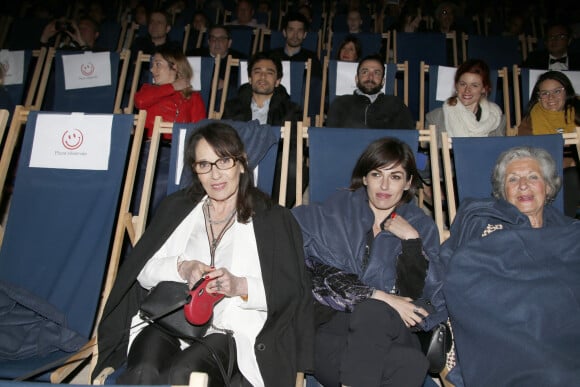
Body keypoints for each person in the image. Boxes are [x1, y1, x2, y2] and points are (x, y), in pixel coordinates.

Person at [92, 122, 314, 386]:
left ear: (241, 164)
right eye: (204, 165)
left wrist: (240, 286)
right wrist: (182, 268)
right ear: (195, 170)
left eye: (223, 161)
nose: (215, 175)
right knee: (143, 371)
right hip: (171, 320)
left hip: (231, 330)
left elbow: (292, 292)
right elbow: (142, 272)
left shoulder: (272, 219)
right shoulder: (179, 209)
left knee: (186, 373)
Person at [292, 137, 445, 386]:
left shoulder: (420, 227)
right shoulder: (332, 213)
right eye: (376, 174)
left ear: (408, 183)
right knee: (411, 363)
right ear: (364, 178)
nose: (384, 185)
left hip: (394, 330)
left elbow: (425, 295)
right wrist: (375, 295)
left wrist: (412, 243)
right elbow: (293, 253)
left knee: (375, 314)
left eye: (395, 177)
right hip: (332, 329)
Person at [440, 146, 580, 386]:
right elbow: (462, 273)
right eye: (513, 179)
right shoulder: (485, 227)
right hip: (510, 338)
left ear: (547, 188)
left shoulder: (570, 233)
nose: (523, 185)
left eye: (533, 177)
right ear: (503, 193)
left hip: (567, 332)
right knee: (550, 374)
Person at [221, 52, 303, 207]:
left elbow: (291, 145)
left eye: (269, 73)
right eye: (257, 72)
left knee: (293, 166)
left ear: (278, 81)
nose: (263, 77)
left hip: (274, 156)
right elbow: (223, 138)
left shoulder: (291, 109)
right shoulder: (233, 106)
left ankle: (274, 208)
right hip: (239, 155)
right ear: (250, 79)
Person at [133, 47, 206, 213]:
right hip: (147, 150)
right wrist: (173, 87)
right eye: (152, 65)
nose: (152, 69)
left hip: (177, 152)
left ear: (176, 67)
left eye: (158, 64)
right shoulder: (148, 90)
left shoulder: (193, 97)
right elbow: (140, 101)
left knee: (167, 187)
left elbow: (199, 130)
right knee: (145, 189)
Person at [518, 70, 580, 218]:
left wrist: (572, 161)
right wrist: (564, 162)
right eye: (544, 93)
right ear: (538, 97)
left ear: (567, 92)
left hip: (575, 171)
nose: (551, 97)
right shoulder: (531, 119)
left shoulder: (578, 111)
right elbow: (524, 152)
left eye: (557, 91)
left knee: (572, 177)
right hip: (546, 172)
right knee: (569, 178)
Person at [326, 54, 415, 129]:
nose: (370, 77)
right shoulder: (340, 103)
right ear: (357, 79)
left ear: (383, 81)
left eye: (376, 73)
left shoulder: (396, 104)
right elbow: (331, 138)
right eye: (365, 72)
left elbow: (406, 138)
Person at [426, 59, 506, 138]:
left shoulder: (497, 119)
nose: (467, 90)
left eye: (474, 85)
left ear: (484, 89)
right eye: (463, 84)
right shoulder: (434, 119)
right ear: (456, 85)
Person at [187, 24, 246, 93]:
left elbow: (244, 84)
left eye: (222, 39)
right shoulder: (194, 56)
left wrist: (226, 84)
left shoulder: (240, 59)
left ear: (229, 43)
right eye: (213, 38)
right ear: (208, 42)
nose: (217, 42)